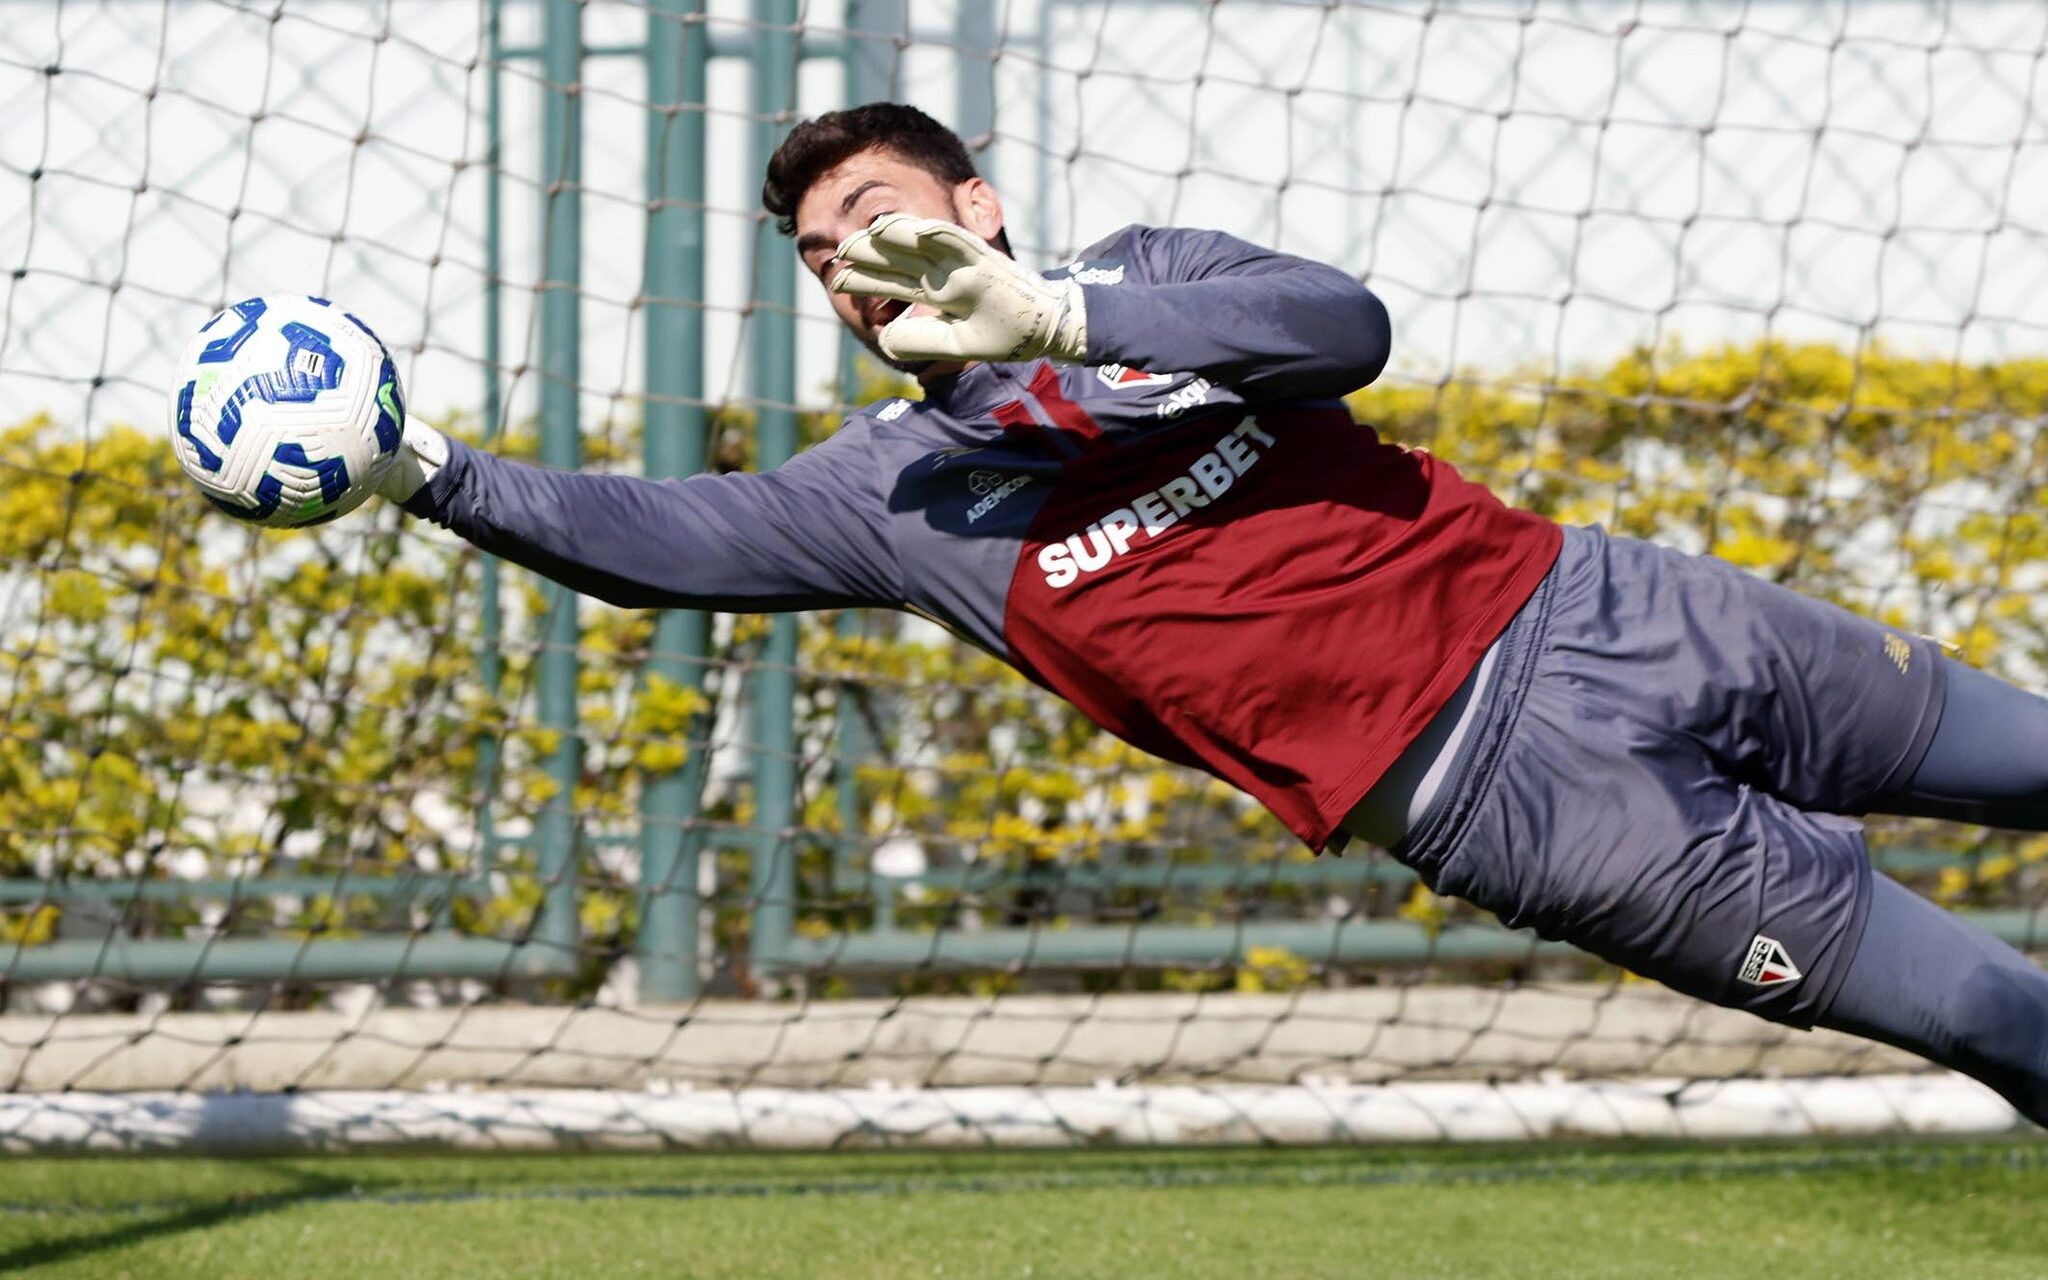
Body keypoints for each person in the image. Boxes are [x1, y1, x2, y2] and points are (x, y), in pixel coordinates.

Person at [375, 102, 2048, 1123]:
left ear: (975, 209)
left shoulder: (1147, 272)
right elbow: (658, 538)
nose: (851, 263)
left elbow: (1344, 327)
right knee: (1991, 1011)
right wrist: (421, 468)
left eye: (875, 217)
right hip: (1522, 803)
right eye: (820, 258)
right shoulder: (885, 493)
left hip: (1620, 606)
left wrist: (1061, 317)